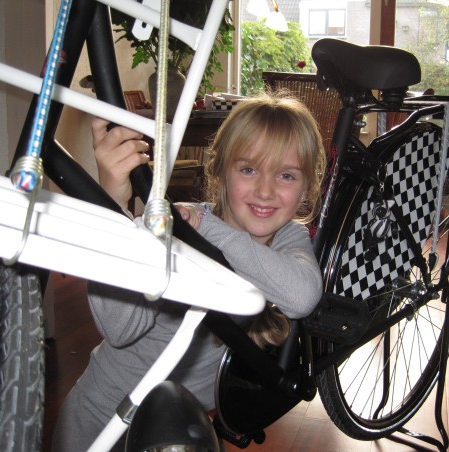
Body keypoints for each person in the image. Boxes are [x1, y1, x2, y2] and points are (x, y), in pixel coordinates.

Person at [52, 92, 327, 451]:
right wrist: (114, 205)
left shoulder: (284, 237)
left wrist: (209, 230)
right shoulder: (177, 226)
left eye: (286, 175)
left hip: (179, 428)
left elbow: (302, 297)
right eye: (248, 169)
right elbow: (119, 329)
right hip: (102, 419)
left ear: (307, 187)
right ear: (220, 172)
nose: (265, 191)